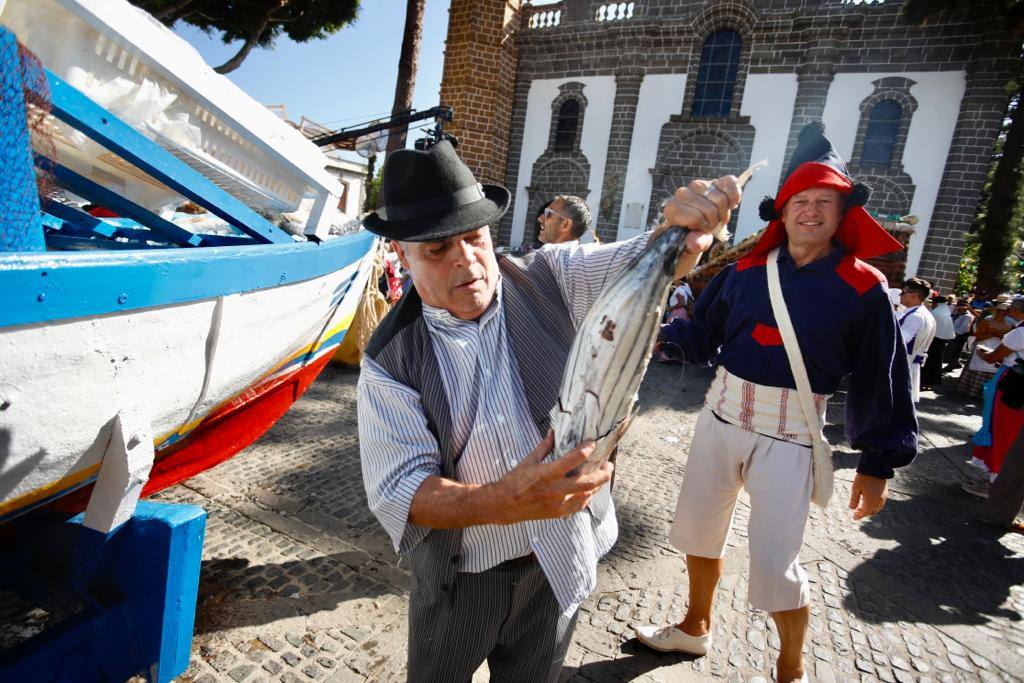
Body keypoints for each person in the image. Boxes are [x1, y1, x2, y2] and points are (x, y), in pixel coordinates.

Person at [356, 140, 734, 681]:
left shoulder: (550, 275)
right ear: (401, 251)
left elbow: (642, 262)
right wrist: (505, 499)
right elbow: (399, 489)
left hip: (560, 559)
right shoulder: (390, 359)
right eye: (437, 249)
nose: (465, 260)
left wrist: (680, 229)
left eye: (474, 237)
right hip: (465, 576)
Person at [636, 123, 918, 683]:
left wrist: (877, 463)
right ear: (782, 211)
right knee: (697, 532)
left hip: (791, 436)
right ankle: (694, 627)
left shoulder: (863, 289)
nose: (811, 211)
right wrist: (655, 331)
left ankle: (790, 671)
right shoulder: (742, 271)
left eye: (825, 202)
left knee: (775, 567)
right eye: (801, 201)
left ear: (842, 214)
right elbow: (701, 334)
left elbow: (880, 378)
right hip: (718, 418)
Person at [963, 296, 1024, 498]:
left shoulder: (1019, 332)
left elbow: (993, 357)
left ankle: (994, 483)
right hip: (1015, 382)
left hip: (1012, 385)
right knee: (1008, 433)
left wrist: (983, 352)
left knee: (1001, 431)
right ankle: (994, 479)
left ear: (1016, 311)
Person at [959, 297, 1017, 398]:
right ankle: (974, 391)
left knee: (992, 369)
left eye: (1005, 311)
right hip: (985, 345)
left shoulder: (1009, 324)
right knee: (981, 367)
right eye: (1002, 311)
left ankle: (985, 393)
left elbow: (1008, 338)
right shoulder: (988, 321)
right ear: (997, 311)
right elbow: (978, 335)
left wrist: (1000, 336)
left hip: (997, 348)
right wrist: (991, 335)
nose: (1003, 313)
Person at [898, 277, 936, 401]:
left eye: (904, 292)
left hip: (902, 367)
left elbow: (898, 342)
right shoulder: (926, 314)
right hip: (909, 365)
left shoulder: (915, 316)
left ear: (914, 295)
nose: (900, 294)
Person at [922, 293, 954, 390]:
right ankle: (931, 383)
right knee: (936, 363)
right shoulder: (946, 314)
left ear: (937, 304)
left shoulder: (936, 314)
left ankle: (925, 381)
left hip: (933, 340)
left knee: (929, 362)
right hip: (941, 342)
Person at [945, 300, 975, 371]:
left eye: (961, 307)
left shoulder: (968, 317)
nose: (959, 309)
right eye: (959, 307)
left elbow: (962, 330)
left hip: (960, 337)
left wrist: (950, 327)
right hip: (952, 335)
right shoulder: (956, 314)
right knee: (951, 351)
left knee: (955, 352)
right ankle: (956, 363)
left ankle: (951, 366)